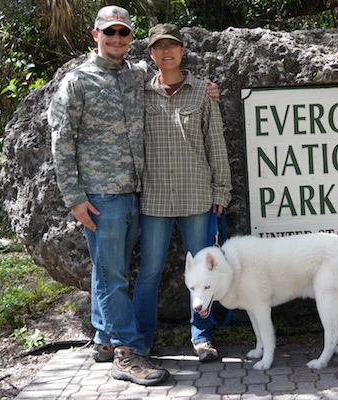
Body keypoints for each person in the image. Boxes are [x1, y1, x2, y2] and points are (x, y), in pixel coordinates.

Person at [48, 6, 219, 385]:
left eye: (123, 34)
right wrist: (74, 198)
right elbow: (61, 142)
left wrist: (205, 88)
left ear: (130, 39)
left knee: (109, 271)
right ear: (95, 35)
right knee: (113, 275)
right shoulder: (77, 82)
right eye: (109, 33)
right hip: (100, 195)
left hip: (134, 193)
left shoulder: (135, 74)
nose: (116, 40)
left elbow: (170, 75)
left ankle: (104, 339)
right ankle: (128, 353)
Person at [132, 23, 232, 363]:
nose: (166, 51)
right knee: (149, 272)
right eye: (159, 46)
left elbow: (216, 145)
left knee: (204, 272)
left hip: (196, 196)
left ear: (182, 51)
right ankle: (142, 339)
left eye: (172, 45)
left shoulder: (203, 93)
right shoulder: (141, 93)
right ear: (151, 54)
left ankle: (202, 338)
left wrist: (222, 190)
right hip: (155, 198)